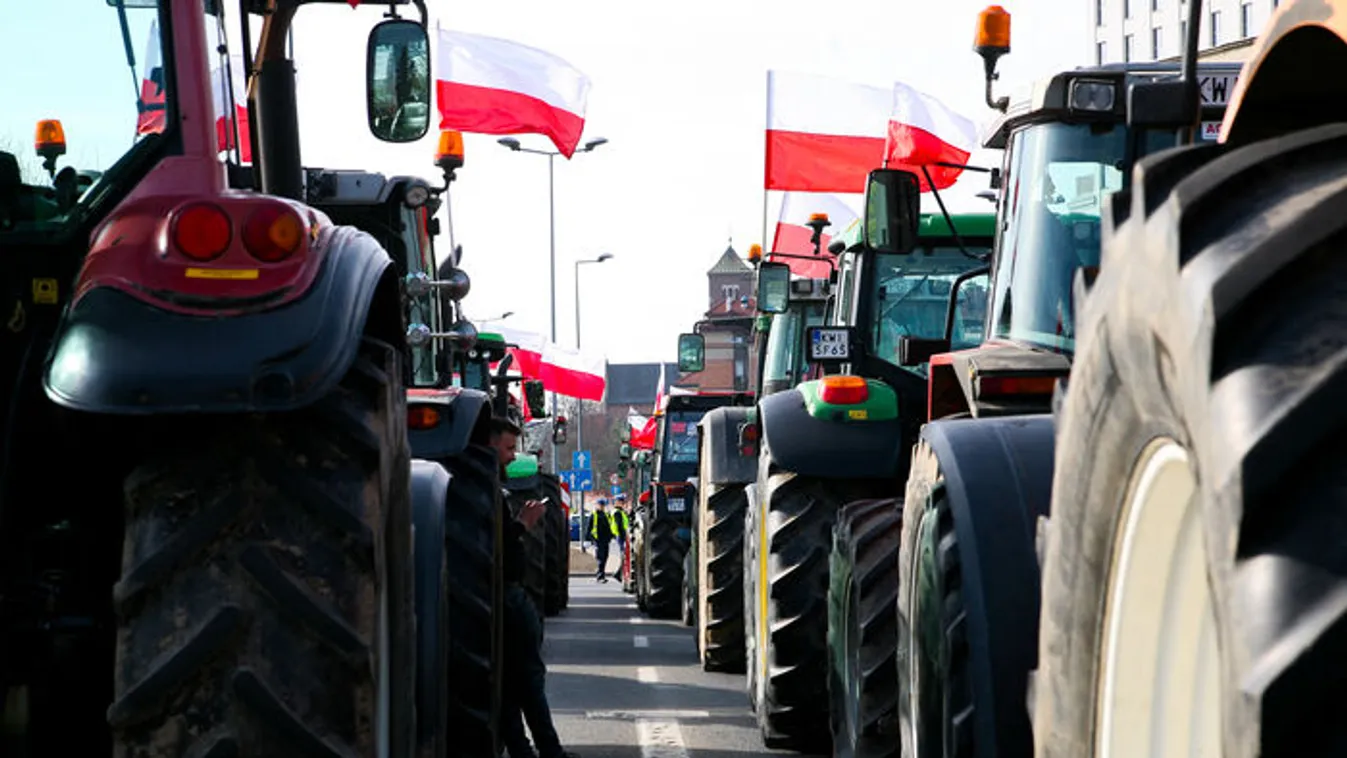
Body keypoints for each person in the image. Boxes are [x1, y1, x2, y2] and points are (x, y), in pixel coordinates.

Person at [487, 417, 579, 758]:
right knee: (528, 679)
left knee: (508, 684)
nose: (513, 457)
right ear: (490, 443)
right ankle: (548, 750)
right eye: (508, 448)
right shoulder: (488, 491)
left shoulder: (489, 489)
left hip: (498, 598)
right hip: (509, 598)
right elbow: (499, 545)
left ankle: (523, 749)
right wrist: (523, 525)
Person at [589, 498, 617, 582]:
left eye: (603, 505)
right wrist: (590, 539)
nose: (602, 507)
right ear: (597, 505)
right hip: (598, 540)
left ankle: (602, 574)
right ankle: (600, 576)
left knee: (605, 557)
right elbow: (589, 528)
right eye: (600, 505)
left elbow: (609, 527)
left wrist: (612, 536)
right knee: (600, 558)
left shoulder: (606, 515)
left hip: (606, 540)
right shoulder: (594, 515)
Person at [612, 494, 631, 581]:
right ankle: (618, 574)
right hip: (621, 536)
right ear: (616, 502)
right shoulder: (617, 512)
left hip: (622, 535)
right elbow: (619, 526)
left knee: (624, 555)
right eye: (620, 501)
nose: (622, 503)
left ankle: (618, 574)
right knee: (624, 555)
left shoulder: (621, 512)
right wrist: (624, 535)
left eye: (622, 501)